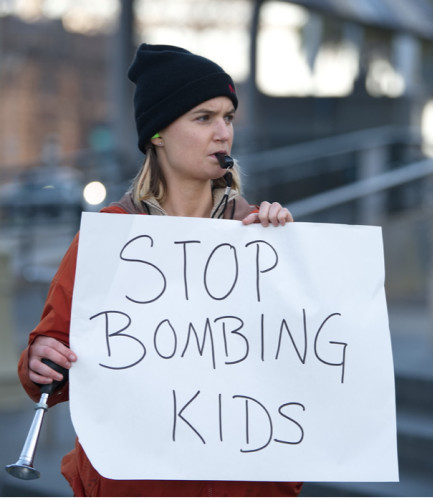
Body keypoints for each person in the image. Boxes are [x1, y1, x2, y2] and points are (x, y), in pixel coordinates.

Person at [17, 43, 302, 497]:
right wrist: (40, 362)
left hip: (240, 483)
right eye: (204, 118)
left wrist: (289, 251)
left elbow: (297, 352)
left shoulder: (258, 234)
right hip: (136, 481)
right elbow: (52, 351)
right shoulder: (109, 235)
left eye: (228, 117)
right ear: (158, 134)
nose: (223, 132)